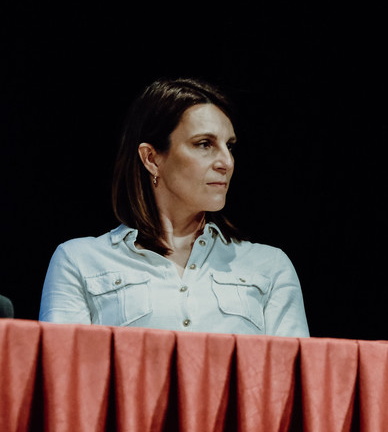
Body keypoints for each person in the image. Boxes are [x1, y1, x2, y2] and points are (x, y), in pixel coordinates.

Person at [40, 78, 309, 338]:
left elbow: (293, 368)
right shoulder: (79, 261)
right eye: (204, 144)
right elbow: (62, 365)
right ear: (151, 158)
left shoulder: (270, 265)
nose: (226, 162)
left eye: (229, 146)